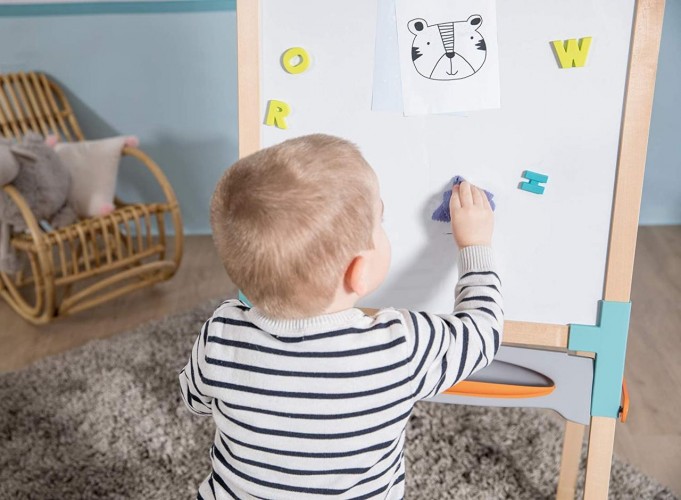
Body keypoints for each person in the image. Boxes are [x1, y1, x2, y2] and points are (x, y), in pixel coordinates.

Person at [179, 134, 503, 499]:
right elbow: (483, 332)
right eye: (380, 221)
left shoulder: (221, 334)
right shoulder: (401, 347)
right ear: (358, 272)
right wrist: (475, 245)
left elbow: (195, 400)